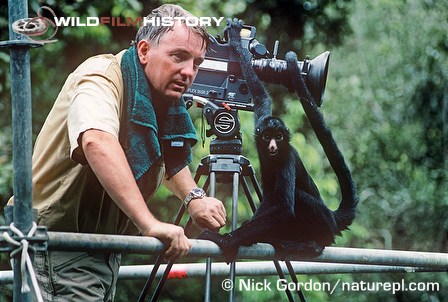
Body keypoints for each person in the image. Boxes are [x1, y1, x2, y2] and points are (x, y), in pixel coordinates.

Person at [7, 4, 227, 301]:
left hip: (102, 249)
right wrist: (150, 224)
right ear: (145, 51)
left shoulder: (156, 94)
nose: (189, 72)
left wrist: (193, 197)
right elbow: (97, 140)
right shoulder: (100, 76)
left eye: (197, 63)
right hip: (59, 247)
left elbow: (163, 151)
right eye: (178, 56)